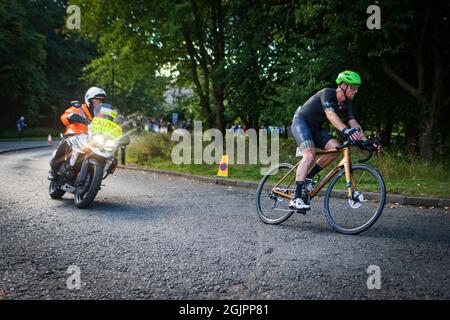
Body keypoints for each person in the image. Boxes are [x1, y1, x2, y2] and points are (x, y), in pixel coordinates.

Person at [289, 70, 380, 210]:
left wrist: (365, 141)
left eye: (357, 88)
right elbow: (330, 114)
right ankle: (296, 198)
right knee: (309, 154)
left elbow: (354, 123)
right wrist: (345, 130)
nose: (355, 91)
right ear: (343, 85)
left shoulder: (347, 104)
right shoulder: (327, 93)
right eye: (353, 87)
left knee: (336, 148)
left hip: (315, 128)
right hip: (301, 123)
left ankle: (308, 177)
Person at [48, 87, 107, 180]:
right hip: (74, 135)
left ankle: (92, 177)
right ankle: (53, 170)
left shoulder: (102, 115)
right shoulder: (79, 108)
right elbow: (64, 116)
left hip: (91, 139)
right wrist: (70, 116)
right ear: (88, 100)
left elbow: (109, 125)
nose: (98, 103)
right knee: (66, 143)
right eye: (95, 100)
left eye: (100, 101)